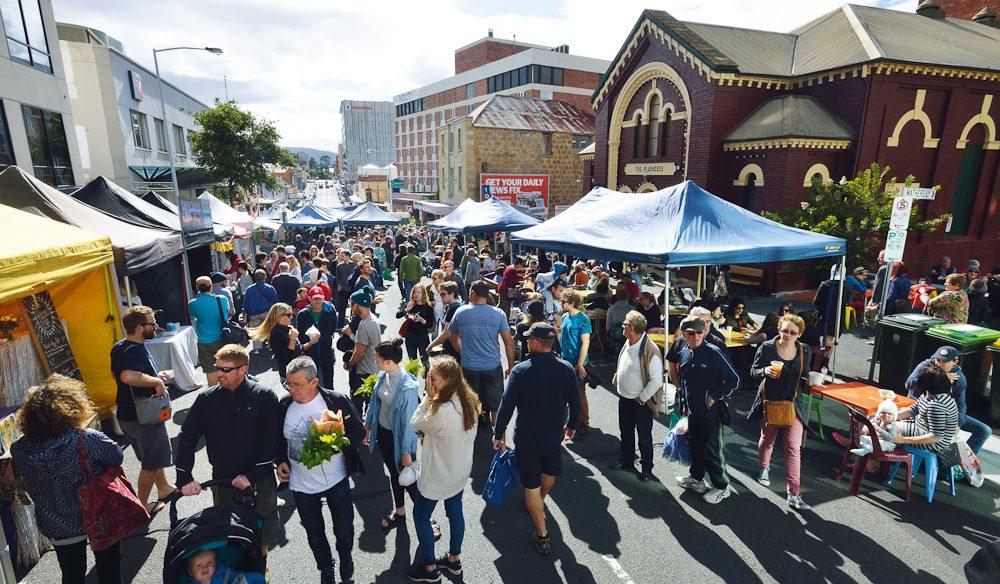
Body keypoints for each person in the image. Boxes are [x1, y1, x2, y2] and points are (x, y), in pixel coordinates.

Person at [12, 375, 125, 584]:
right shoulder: (86, 438)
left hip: (55, 522)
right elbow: (117, 456)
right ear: (72, 407)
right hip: (97, 513)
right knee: (109, 567)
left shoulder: (19, 449)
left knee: (72, 574)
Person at [176, 345, 281, 562]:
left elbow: (273, 441)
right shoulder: (206, 400)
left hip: (259, 480)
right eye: (217, 368)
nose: (218, 374)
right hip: (222, 480)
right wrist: (184, 478)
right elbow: (187, 438)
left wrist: (251, 477)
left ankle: (260, 568)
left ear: (243, 370)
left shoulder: (264, 397)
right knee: (227, 531)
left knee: (262, 531)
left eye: (226, 369)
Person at [494, 323, 580, 556]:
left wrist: (498, 432)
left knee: (530, 485)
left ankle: (542, 535)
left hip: (527, 438)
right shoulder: (566, 368)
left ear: (534, 343)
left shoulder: (522, 370)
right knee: (550, 472)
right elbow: (576, 401)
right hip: (554, 437)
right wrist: (572, 425)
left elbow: (506, 406)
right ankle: (539, 500)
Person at [276, 356, 365, 584]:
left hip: (336, 480)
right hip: (301, 485)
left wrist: (339, 438)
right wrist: (281, 462)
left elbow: (358, 433)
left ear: (314, 383)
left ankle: (345, 556)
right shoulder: (284, 405)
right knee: (315, 536)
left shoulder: (336, 401)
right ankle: (326, 567)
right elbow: (276, 440)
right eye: (288, 384)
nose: (292, 389)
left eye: (297, 384)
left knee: (344, 531)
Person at [408, 356, 480, 582]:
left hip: (437, 477)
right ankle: (453, 560)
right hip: (459, 473)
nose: (429, 380)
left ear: (447, 380)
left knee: (421, 516)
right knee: (455, 513)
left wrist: (428, 397)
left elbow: (416, 421)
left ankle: (429, 569)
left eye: (433, 377)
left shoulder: (440, 410)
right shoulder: (469, 400)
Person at [111, 306, 176, 515]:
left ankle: (164, 488)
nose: (155, 327)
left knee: (151, 457)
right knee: (151, 462)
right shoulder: (136, 349)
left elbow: (118, 376)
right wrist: (156, 380)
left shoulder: (119, 346)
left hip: (127, 415)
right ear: (139, 328)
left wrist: (155, 376)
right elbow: (127, 376)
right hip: (143, 417)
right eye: (151, 323)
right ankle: (140, 507)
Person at [668, 316, 740, 504]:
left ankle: (722, 487)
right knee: (696, 446)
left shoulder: (714, 353)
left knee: (712, 450)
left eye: (700, 332)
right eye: (691, 333)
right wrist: (682, 400)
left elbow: (734, 380)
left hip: (711, 414)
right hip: (692, 412)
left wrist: (714, 397)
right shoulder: (683, 352)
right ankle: (697, 479)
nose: (696, 336)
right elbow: (683, 379)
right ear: (684, 334)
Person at [749, 314, 815, 510]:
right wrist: (764, 372)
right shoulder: (767, 347)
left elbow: (804, 376)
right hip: (770, 403)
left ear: (799, 334)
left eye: (792, 332)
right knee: (767, 440)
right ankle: (763, 467)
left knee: (793, 448)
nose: (787, 335)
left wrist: (810, 382)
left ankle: (794, 493)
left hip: (793, 404)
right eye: (784, 330)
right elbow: (753, 371)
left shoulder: (804, 350)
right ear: (779, 330)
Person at [434, 280, 514, 426]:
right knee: (495, 398)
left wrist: (462, 352)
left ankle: (473, 424)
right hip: (492, 365)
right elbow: (509, 343)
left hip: (469, 365)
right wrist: (511, 365)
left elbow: (452, 338)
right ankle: (495, 424)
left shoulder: (461, 312)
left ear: (472, 293)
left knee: (471, 398)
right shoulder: (499, 314)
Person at [363, 340, 420, 532]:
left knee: (409, 479)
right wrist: (369, 423)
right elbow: (375, 401)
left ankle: (424, 517)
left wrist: (406, 452)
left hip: (401, 440)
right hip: (385, 435)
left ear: (388, 361)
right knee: (395, 475)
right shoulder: (383, 374)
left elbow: (409, 424)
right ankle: (400, 512)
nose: (375, 361)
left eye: (377, 358)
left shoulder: (408, 387)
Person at [905, 346, 991, 455]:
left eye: (944, 362)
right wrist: (936, 377)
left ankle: (960, 461)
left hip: (944, 413)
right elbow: (908, 384)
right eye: (938, 359)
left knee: (984, 430)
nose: (938, 364)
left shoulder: (959, 378)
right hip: (920, 409)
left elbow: (961, 404)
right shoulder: (925, 366)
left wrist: (958, 424)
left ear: (955, 363)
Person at [610, 311, 663, 481]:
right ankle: (626, 460)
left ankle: (647, 468)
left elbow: (656, 381)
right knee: (625, 432)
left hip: (640, 402)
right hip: (625, 398)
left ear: (632, 329)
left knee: (644, 437)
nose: (622, 326)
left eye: (625, 324)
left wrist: (642, 397)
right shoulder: (629, 342)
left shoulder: (650, 350)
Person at [894, 363, 959, 453]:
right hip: (921, 428)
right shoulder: (928, 395)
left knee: (885, 427)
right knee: (884, 422)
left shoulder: (936, 405)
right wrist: (891, 416)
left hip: (933, 445)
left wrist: (904, 440)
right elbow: (912, 410)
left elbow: (936, 437)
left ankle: (877, 460)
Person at [559, 289, 593, 439]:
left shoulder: (583, 319)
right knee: (566, 394)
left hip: (577, 363)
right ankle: (572, 421)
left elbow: (586, 343)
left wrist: (580, 364)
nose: (561, 304)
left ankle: (583, 423)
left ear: (572, 303)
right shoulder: (565, 316)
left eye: (563, 301)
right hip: (565, 360)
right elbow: (564, 333)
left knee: (579, 394)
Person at [344, 288, 382, 414]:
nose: (350, 306)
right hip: (373, 369)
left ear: (359, 305)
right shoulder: (371, 319)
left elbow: (359, 352)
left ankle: (361, 431)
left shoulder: (365, 324)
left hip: (364, 372)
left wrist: (349, 364)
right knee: (371, 407)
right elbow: (358, 344)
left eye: (352, 303)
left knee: (357, 408)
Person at [188, 275, 231, 386]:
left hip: (204, 341)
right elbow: (231, 313)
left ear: (197, 288)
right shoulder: (222, 299)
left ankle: (215, 396)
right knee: (227, 367)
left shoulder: (192, 303)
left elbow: (193, 315)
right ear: (211, 286)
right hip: (223, 338)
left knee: (210, 370)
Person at [249, 303, 302, 381]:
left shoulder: (286, 329)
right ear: (278, 317)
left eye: (291, 314)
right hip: (291, 376)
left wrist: (311, 342)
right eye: (288, 315)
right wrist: (293, 339)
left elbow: (297, 349)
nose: (291, 317)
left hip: (296, 371)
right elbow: (287, 358)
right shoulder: (277, 333)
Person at [297, 287, 337, 389]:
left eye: (319, 298)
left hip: (326, 351)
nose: (318, 301)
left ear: (323, 298)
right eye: (315, 298)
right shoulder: (303, 314)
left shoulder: (330, 311)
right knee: (310, 384)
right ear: (310, 299)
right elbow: (300, 334)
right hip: (309, 354)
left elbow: (333, 328)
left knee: (329, 384)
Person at [396, 284, 435, 365]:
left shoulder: (428, 307)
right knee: (412, 363)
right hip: (410, 337)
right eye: (415, 292)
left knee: (425, 362)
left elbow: (430, 325)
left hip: (423, 338)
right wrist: (407, 309)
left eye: (419, 292)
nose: (416, 294)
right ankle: (413, 377)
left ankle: (427, 377)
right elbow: (398, 315)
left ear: (423, 294)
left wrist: (421, 319)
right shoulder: (410, 304)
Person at [426, 280, 464, 361]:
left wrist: (430, 346)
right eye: (440, 294)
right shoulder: (450, 306)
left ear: (452, 294)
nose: (441, 296)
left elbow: (446, 333)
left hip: (454, 351)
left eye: (443, 294)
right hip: (452, 349)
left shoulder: (454, 308)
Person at [243, 269, 279, 352]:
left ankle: (257, 348)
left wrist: (245, 315)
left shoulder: (249, 289)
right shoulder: (270, 287)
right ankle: (270, 346)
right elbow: (276, 301)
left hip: (254, 313)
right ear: (265, 277)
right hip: (267, 312)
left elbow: (246, 303)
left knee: (256, 330)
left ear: (255, 278)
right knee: (269, 328)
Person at [185, 548, 264, 584]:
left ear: (215, 564)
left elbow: (243, 578)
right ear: (190, 572)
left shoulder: (224, 574)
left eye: (210, 563)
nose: (205, 567)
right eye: (198, 565)